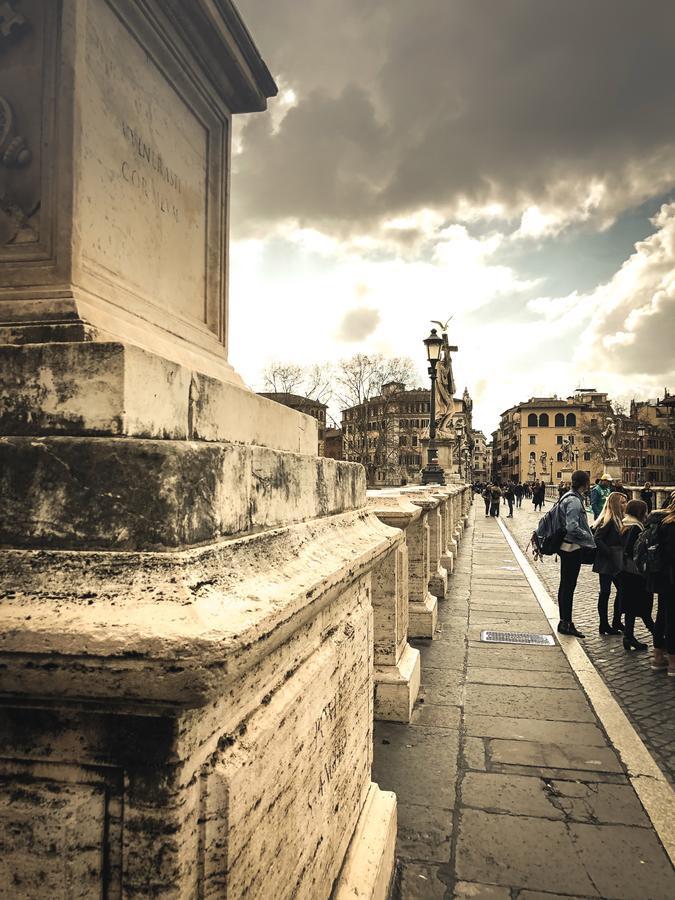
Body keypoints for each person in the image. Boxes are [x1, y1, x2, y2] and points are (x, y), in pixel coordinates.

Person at [556, 470, 596, 638]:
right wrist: (589, 536)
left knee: (565, 584)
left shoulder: (568, 497)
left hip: (566, 547)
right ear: (585, 484)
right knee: (568, 586)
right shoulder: (574, 501)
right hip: (571, 548)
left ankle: (563, 621)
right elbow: (572, 527)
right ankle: (567, 623)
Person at [618, 500, 655, 651]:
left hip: (625, 572)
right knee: (644, 607)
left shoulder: (624, 524)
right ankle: (659, 637)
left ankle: (629, 636)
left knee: (631, 607)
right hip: (635, 573)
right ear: (641, 512)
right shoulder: (636, 528)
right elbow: (633, 551)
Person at [592, 492, 627, 635]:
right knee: (605, 592)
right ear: (616, 504)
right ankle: (604, 624)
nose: (626, 504)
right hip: (607, 562)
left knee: (621, 590)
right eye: (623, 502)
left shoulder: (621, 519)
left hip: (616, 561)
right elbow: (597, 538)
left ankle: (616, 621)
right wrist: (609, 553)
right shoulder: (608, 520)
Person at [652, 497, 675, 675]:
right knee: (672, 618)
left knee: (662, 614)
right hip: (671, 576)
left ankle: (658, 656)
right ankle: (673, 663)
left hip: (662, 576)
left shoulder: (663, 523)